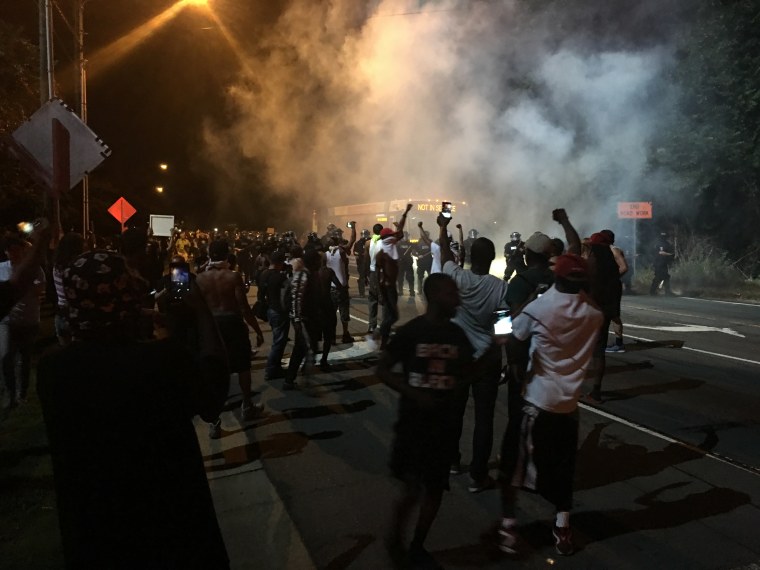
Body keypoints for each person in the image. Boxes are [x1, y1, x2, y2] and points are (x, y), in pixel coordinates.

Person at [37, 250, 230, 569]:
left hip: (96, 537)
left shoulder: (52, 371)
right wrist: (200, 312)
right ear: (127, 299)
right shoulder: (161, 360)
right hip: (173, 532)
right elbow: (212, 398)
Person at [497, 253, 603, 557]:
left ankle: (507, 528)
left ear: (556, 277)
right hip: (568, 407)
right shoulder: (594, 313)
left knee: (512, 469)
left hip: (536, 404)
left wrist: (503, 317)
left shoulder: (540, 308)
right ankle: (563, 526)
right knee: (563, 469)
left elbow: (511, 335)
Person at [377, 273, 473, 569]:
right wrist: (415, 395)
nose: (457, 299)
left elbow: (466, 375)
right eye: (450, 294)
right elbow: (382, 370)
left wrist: (494, 352)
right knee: (411, 488)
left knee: (434, 488)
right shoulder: (411, 332)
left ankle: (418, 545)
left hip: (444, 428)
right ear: (434, 297)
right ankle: (395, 539)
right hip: (413, 426)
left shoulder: (458, 336)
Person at [438, 213, 509, 492]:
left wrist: (442, 228)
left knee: (453, 413)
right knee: (484, 418)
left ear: (469, 257)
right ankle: (478, 475)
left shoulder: (455, 277)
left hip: (457, 359)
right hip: (486, 362)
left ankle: (453, 462)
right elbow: (503, 331)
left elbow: (445, 253)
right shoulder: (500, 287)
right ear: (491, 258)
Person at [196, 239, 265, 437]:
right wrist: (257, 330)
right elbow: (243, 307)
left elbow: (197, 309)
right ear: (227, 254)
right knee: (243, 366)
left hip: (212, 326)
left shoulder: (200, 278)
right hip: (233, 324)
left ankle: (214, 420)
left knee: (215, 371)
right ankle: (247, 406)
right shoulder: (233, 276)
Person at [0, 236, 45, 407]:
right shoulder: (1, 269)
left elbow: (39, 290)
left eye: (17, 249)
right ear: (6, 252)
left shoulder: (33, 269)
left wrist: (19, 283)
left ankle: (22, 393)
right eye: (10, 250)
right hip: (7, 321)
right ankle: (10, 393)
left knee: (24, 359)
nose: (14, 253)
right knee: (6, 358)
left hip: (29, 319)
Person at [583, 233, 622, 404]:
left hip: (588, 312)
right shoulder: (612, 267)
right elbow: (616, 291)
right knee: (599, 352)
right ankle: (596, 390)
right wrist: (614, 313)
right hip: (604, 313)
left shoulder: (592, 264)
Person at [375, 204, 414, 349]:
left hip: (386, 286)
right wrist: (405, 213)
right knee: (393, 316)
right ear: (388, 236)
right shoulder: (387, 244)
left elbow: (400, 233)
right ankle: (379, 333)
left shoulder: (385, 246)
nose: (395, 235)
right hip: (388, 286)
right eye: (392, 234)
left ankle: (383, 343)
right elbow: (400, 232)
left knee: (389, 316)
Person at [258, 251, 291, 381]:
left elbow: (261, 294)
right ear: (280, 263)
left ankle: (276, 365)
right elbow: (288, 293)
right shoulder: (280, 277)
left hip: (270, 309)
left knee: (277, 338)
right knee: (279, 342)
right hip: (279, 311)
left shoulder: (264, 274)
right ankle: (271, 370)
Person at [325, 222, 357, 343]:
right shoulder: (341, 251)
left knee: (331, 314)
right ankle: (345, 335)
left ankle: (332, 337)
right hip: (341, 287)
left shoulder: (326, 254)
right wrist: (353, 227)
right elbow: (352, 241)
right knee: (344, 313)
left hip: (331, 288)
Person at [599, 229, 628, 353]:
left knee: (614, 314)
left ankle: (619, 344)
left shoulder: (613, 250)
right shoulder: (604, 250)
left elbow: (624, 267)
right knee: (604, 314)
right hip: (606, 286)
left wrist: (612, 279)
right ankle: (604, 342)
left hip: (612, 286)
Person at [366, 224, 384, 335]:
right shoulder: (385, 243)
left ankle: (371, 326)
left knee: (372, 300)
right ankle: (384, 325)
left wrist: (364, 275)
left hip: (372, 272)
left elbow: (365, 259)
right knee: (384, 300)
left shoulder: (368, 242)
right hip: (382, 273)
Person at [396, 231, 416, 299]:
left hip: (408, 262)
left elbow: (414, 251)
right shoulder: (398, 244)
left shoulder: (410, 244)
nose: (405, 237)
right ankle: (400, 291)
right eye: (404, 235)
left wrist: (415, 252)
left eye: (406, 235)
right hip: (400, 263)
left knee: (410, 277)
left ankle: (412, 291)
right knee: (400, 278)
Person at [354, 229, 371, 297]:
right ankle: (361, 293)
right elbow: (355, 252)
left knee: (372, 278)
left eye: (367, 234)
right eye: (364, 234)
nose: (365, 236)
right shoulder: (358, 243)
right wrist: (359, 255)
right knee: (362, 278)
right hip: (361, 264)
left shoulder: (372, 242)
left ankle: (373, 292)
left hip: (370, 263)